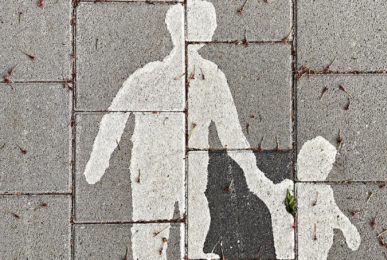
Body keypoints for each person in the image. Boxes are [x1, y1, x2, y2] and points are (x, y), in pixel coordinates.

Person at [83, 1, 294, 259]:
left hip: (178, 174)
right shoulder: (162, 78)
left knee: (187, 219)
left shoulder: (194, 77)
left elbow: (232, 134)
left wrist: (254, 175)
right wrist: (98, 159)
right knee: (159, 230)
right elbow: (114, 119)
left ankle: (193, 252)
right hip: (154, 173)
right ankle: (192, 252)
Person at [297, 136, 361, 260]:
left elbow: (334, 213)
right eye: (325, 167)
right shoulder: (298, 190)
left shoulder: (324, 191)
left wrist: (347, 228)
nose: (327, 172)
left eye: (328, 167)